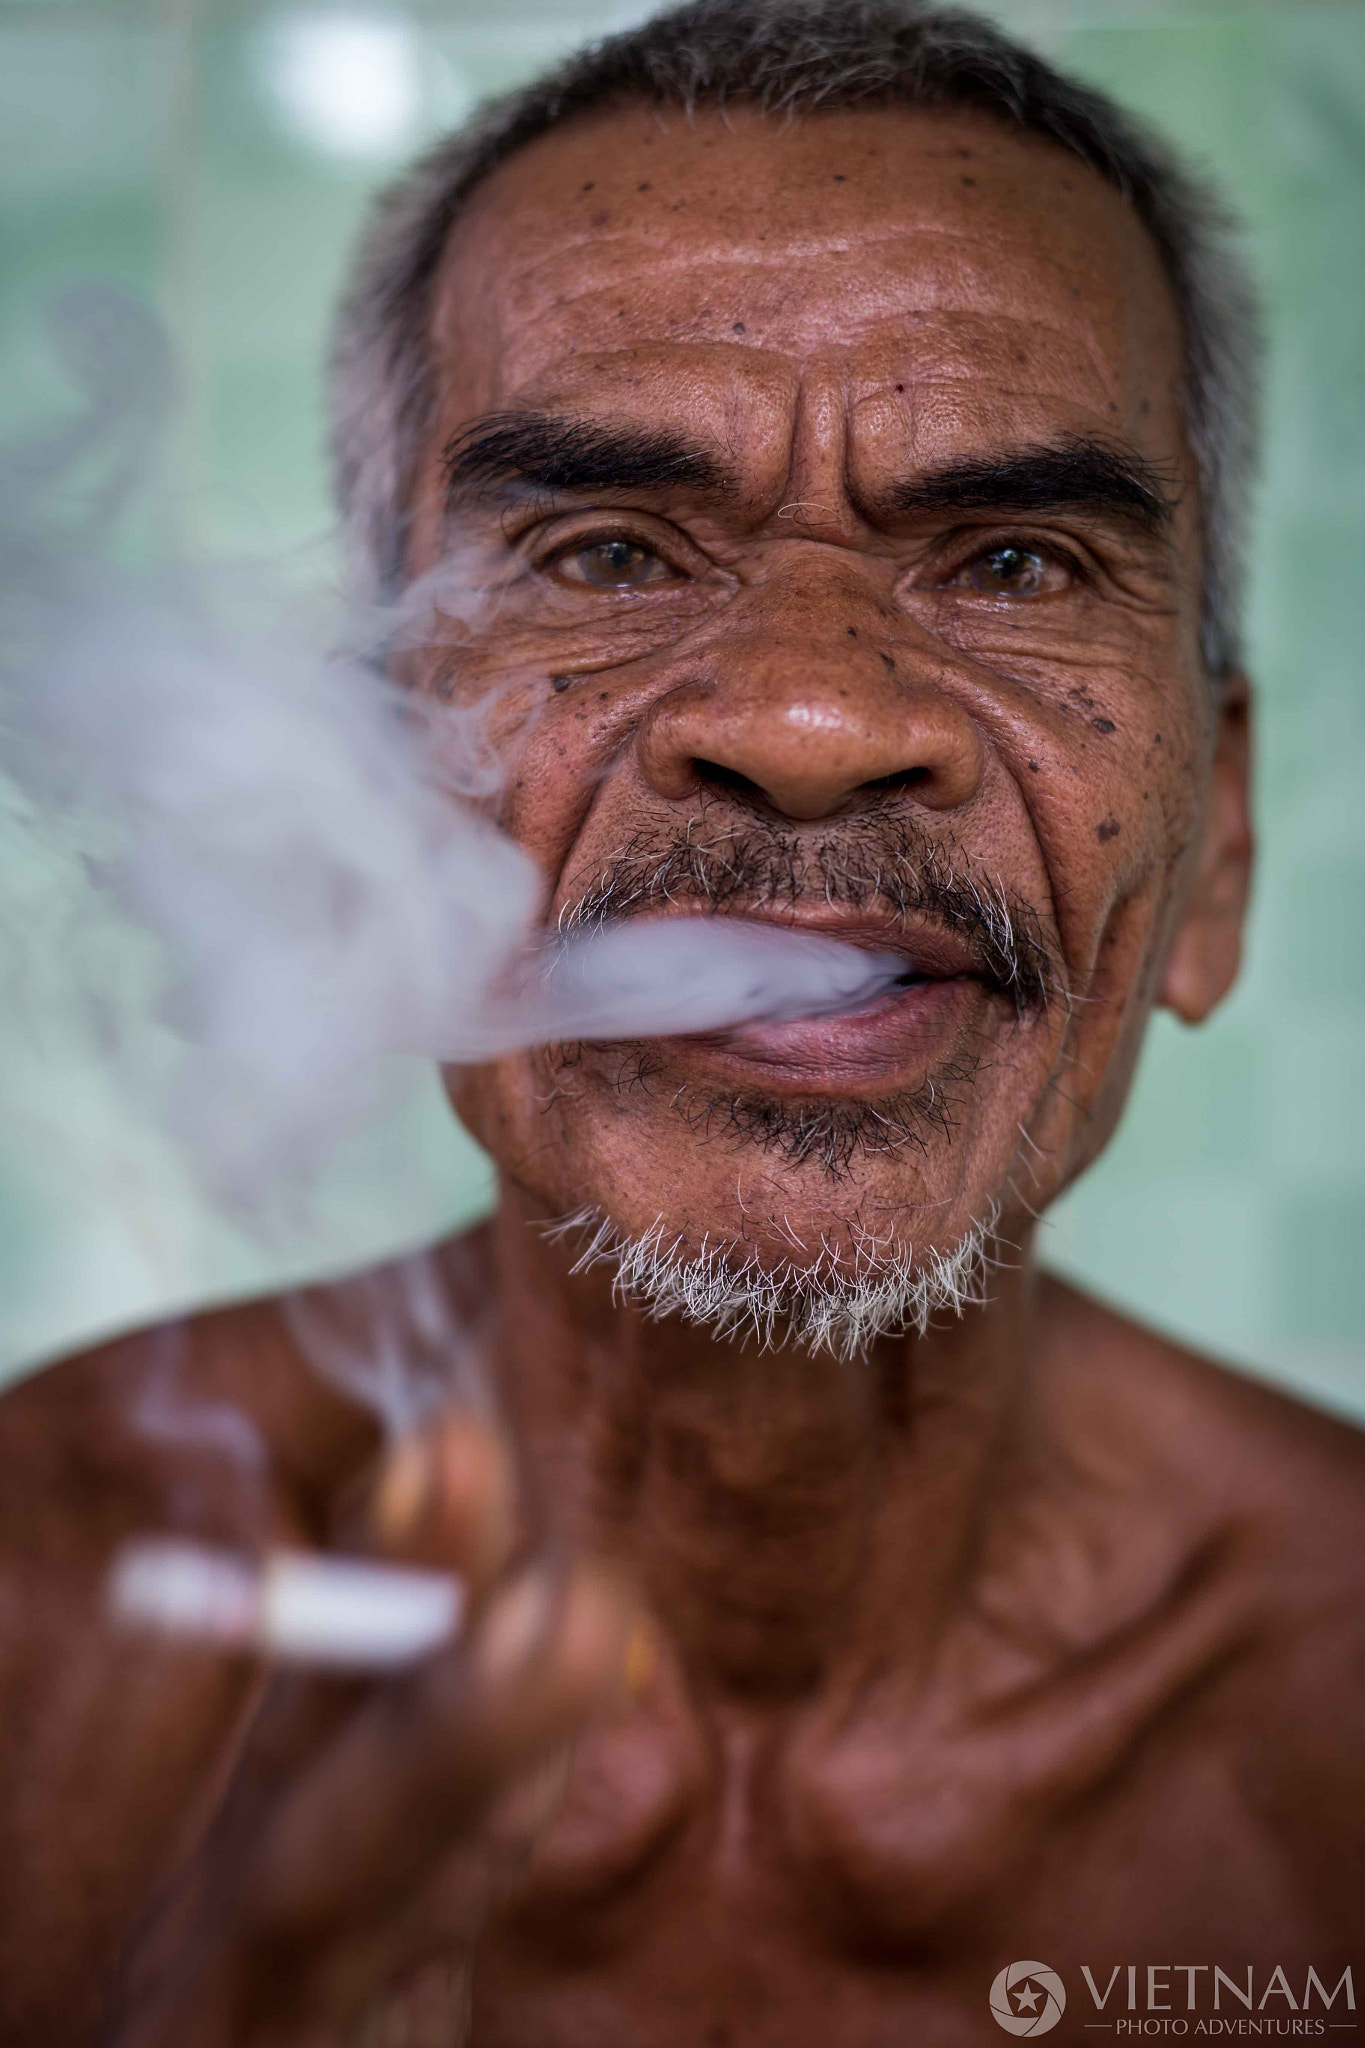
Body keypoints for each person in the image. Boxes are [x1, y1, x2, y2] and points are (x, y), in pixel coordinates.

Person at [3, 3, 1362, 2042]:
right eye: (606, 553)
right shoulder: (35, 1631)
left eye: (1009, 557)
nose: (806, 724)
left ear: (1219, 843)